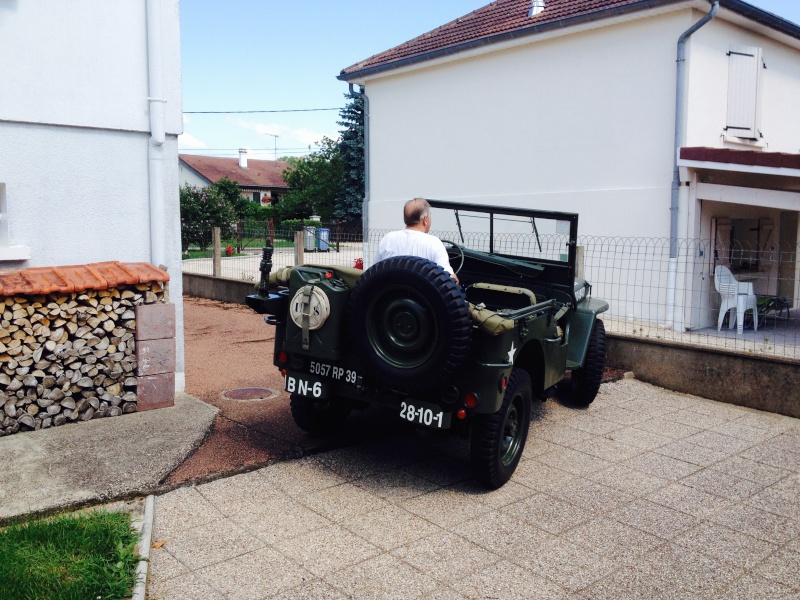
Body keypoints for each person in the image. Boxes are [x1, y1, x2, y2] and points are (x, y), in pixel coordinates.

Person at [374, 198, 459, 283]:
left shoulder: (387, 239)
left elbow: (374, 273)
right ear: (425, 219)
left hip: (390, 294)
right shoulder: (434, 243)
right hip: (422, 295)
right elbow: (449, 280)